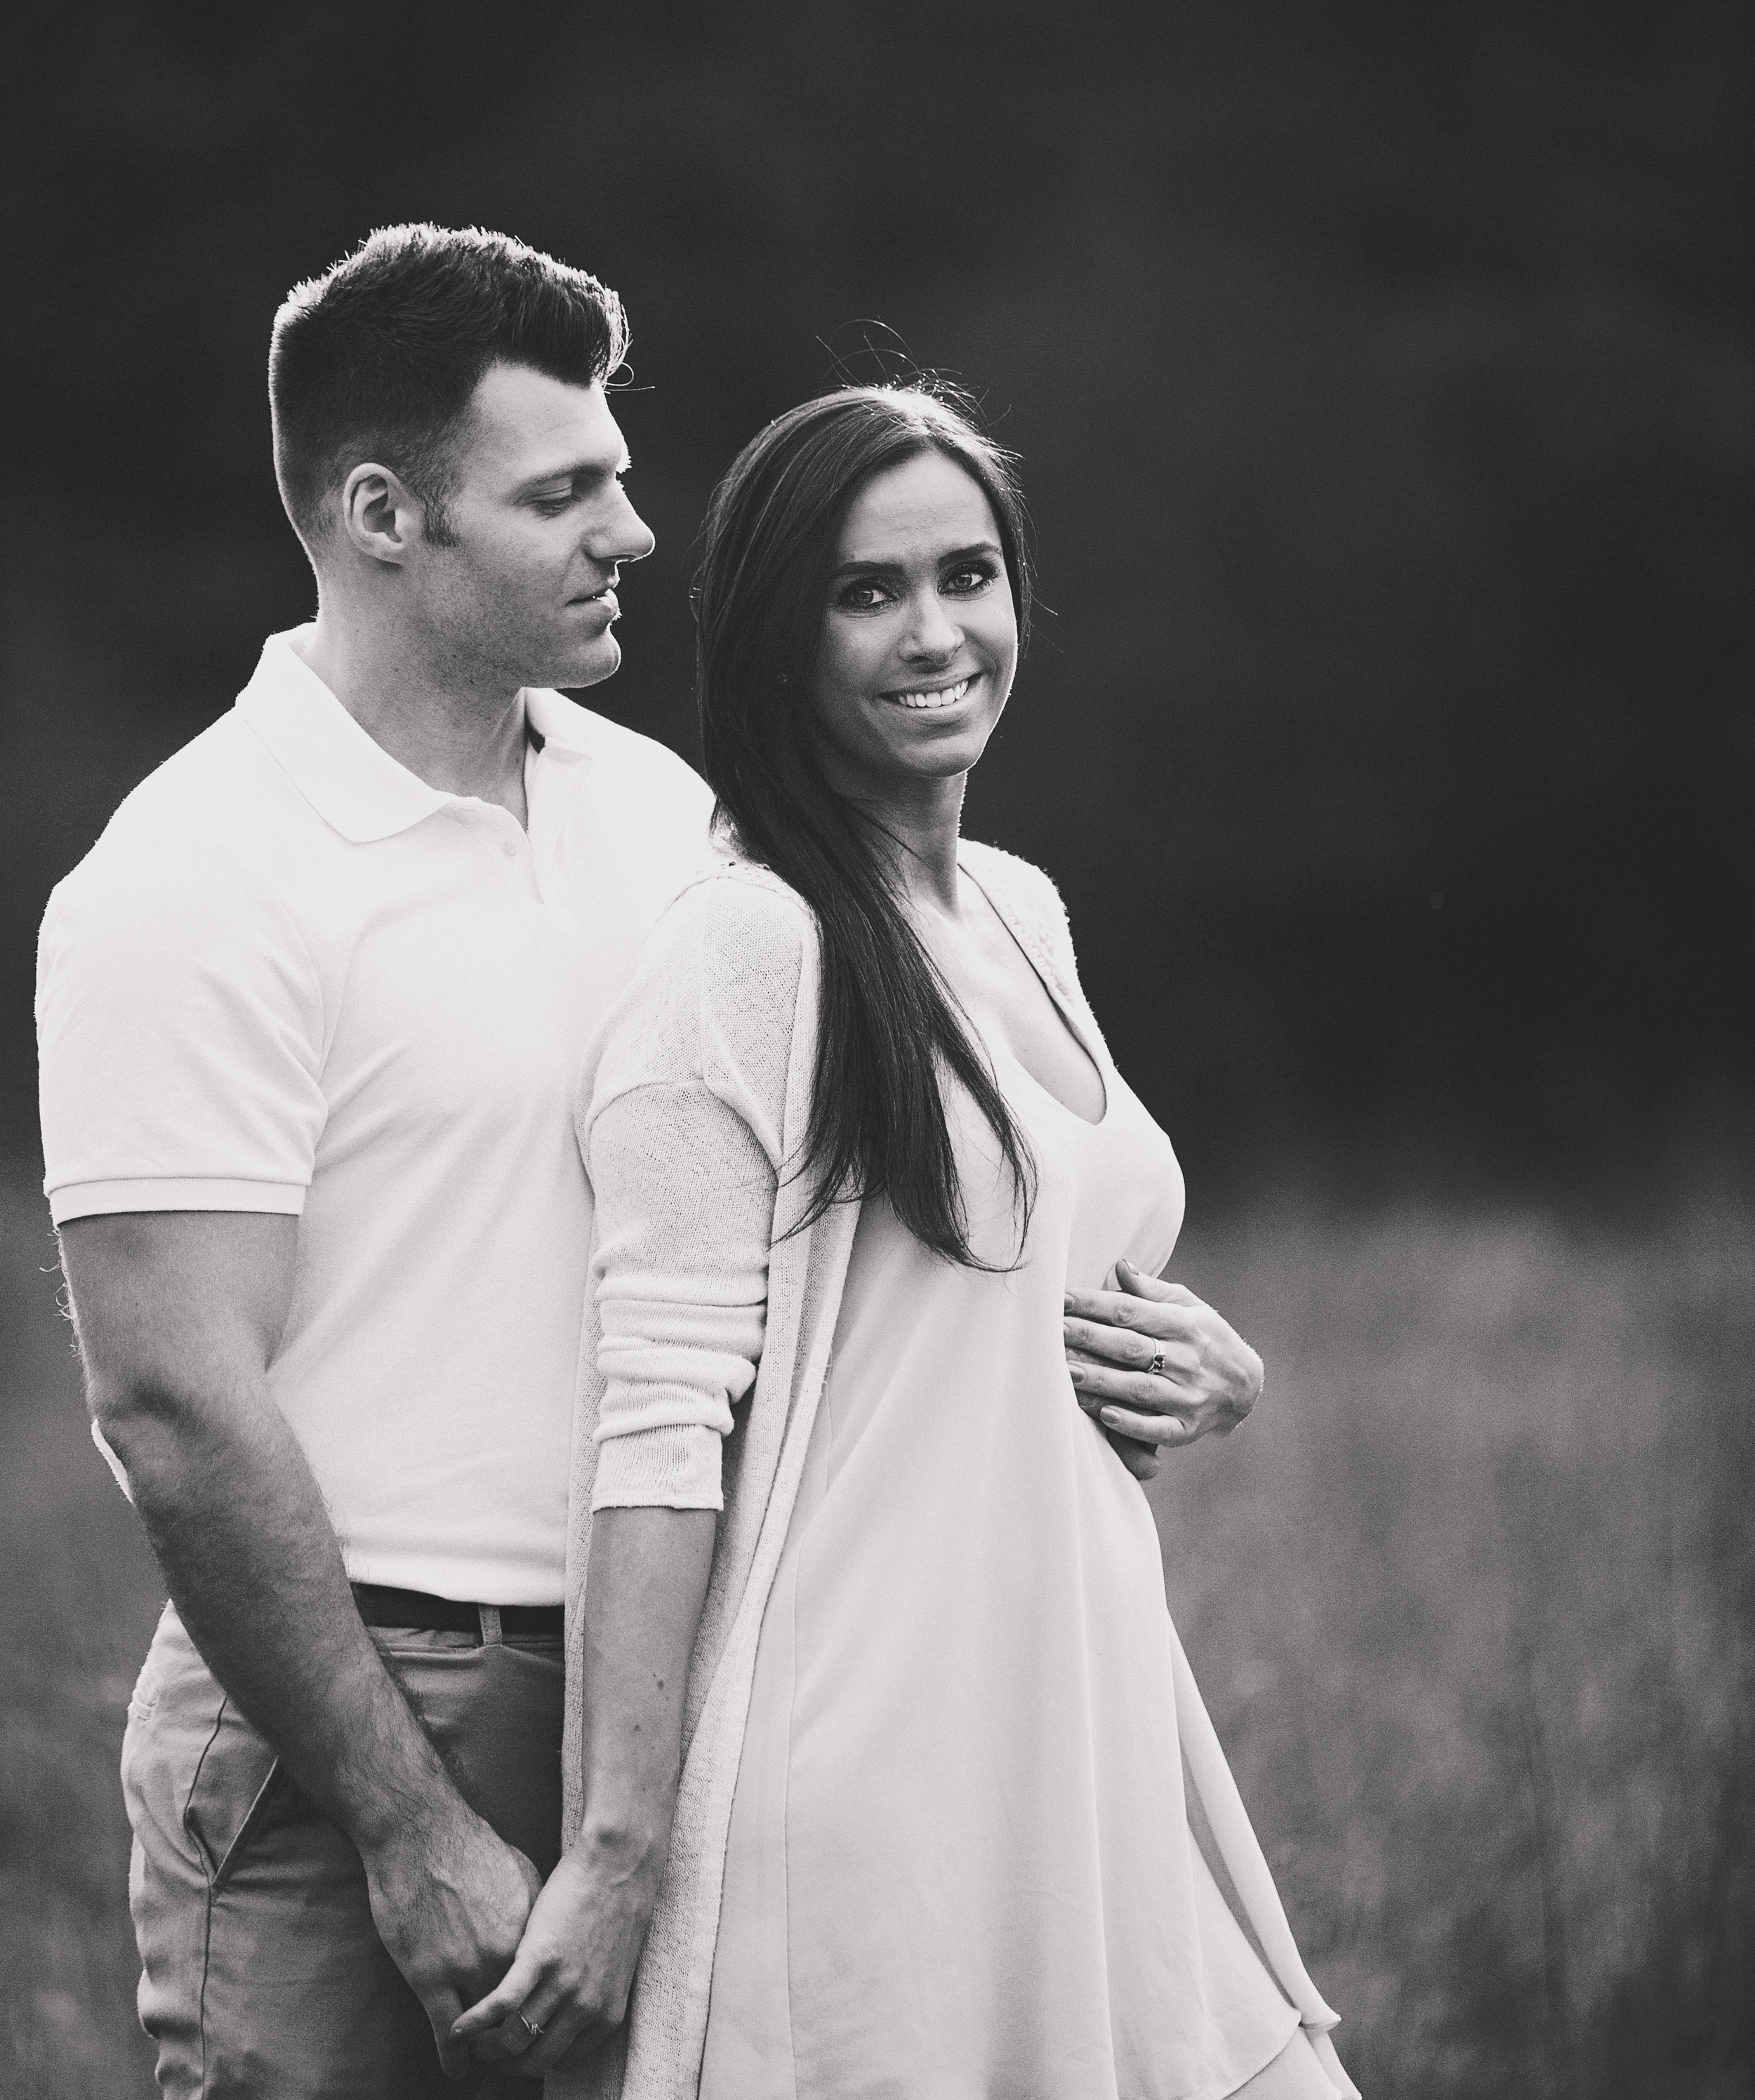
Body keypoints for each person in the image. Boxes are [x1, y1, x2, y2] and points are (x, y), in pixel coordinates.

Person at [455, 385, 1359, 2098]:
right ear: (776, 636)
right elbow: (654, 1425)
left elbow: (1008, 1295)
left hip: (1075, 1717)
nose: (934, 633)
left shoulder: (1017, 908)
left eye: (966, 574)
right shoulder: (743, 946)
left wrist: (1203, 1367)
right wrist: (617, 1856)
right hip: (869, 1780)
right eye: (865, 592)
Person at [35, 224, 719, 2096]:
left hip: (655, 1693)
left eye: (617, 476)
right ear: (381, 514)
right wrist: (407, 1819)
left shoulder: (661, 816)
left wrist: (1097, 1321)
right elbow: (175, 1402)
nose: (631, 530)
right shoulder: (193, 876)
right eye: (559, 493)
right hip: (346, 1715)